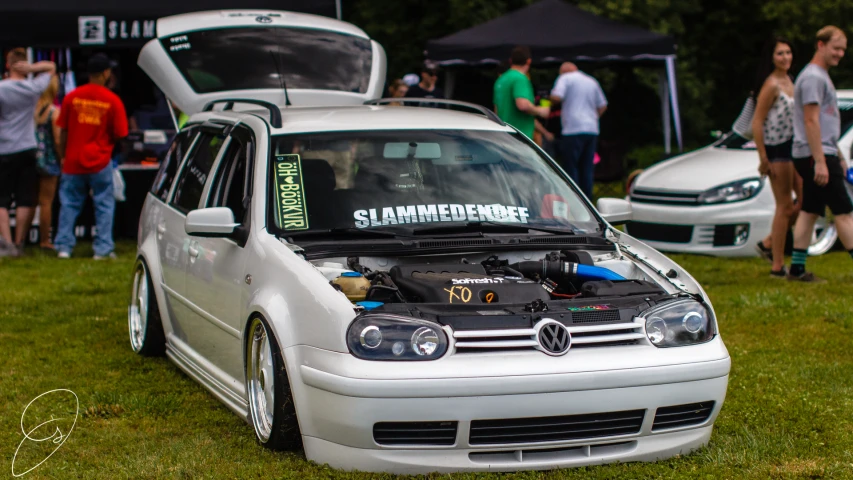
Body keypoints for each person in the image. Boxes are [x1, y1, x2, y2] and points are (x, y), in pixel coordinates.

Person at [787, 26, 853, 282]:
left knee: (809, 210)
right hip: (815, 154)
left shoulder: (818, 75)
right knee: (844, 212)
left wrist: (835, 152)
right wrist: (821, 161)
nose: (840, 54)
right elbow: (811, 121)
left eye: (843, 50)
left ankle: (797, 270)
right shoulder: (814, 77)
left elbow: (824, 124)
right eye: (836, 48)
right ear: (820, 45)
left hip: (816, 152)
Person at [54, 53, 128, 259]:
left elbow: (62, 132)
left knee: (69, 205)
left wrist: (63, 156)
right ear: (105, 73)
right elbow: (121, 133)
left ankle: (63, 247)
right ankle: (103, 249)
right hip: (100, 160)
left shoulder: (72, 97)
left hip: (73, 161)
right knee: (104, 205)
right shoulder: (112, 100)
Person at [750, 37, 802, 277]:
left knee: (805, 200)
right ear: (772, 57)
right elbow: (757, 121)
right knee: (784, 206)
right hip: (777, 149)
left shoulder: (790, 80)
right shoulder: (771, 85)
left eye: (788, 53)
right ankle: (777, 265)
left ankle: (770, 242)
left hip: (794, 147)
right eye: (780, 53)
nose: (786, 58)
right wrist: (763, 156)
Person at [0, 48, 56, 257]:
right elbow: (51, 68)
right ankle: (19, 241)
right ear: (23, 65)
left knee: (2, 199)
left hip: (4, 147)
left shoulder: (2, 89)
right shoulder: (33, 87)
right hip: (28, 146)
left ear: (8, 65)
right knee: (25, 198)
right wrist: (33, 68)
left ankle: (6, 243)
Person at [550, 62, 608, 199]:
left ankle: (574, 200)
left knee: (571, 166)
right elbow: (603, 105)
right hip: (591, 129)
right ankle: (588, 201)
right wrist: (593, 117)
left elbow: (557, 96)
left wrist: (550, 99)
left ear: (563, 71)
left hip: (572, 128)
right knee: (587, 167)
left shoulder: (565, 78)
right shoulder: (591, 81)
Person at [493, 46, 550, 141]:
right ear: (529, 61)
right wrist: (542, 111)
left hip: (504, 135)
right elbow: (523, 105)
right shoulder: (520, 78)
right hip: (520, 136)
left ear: (511, 61)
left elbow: (496, 110)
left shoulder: (501, 80)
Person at [34, 74, 63, 250]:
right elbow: (58, 140)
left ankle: (20, 239)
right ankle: (45, 240)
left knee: (29, 201)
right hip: (49, 160)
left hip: (32, 158)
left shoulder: (31, 110)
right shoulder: (53, 111)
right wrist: (62, 158)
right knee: (46, 202)